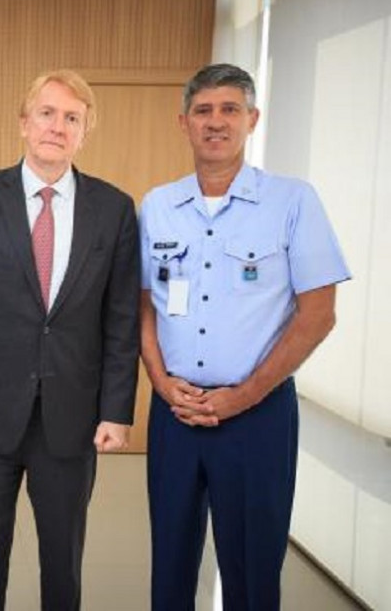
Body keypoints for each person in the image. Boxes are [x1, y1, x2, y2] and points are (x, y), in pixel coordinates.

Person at [139, 63, 350, 610]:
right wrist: (160, 381)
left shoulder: (293, 201)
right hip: (176, 412)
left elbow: (318, 313)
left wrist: (246, 394)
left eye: (230, 109)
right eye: (204, 111)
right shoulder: (158, 205)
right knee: (169, 563)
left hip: (257, 416)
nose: (216, 122)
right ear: (183, 122)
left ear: (252, 119)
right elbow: (142, 305)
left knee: (253, 571)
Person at [0, 70, 141, 611]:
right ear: (24, 123)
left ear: (85, 132)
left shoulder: (114, 209)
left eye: (72, 118)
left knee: (63, 562)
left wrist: (117, 411)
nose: (58, 126)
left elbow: (121, 319)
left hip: (71, 420)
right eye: (47, 113)